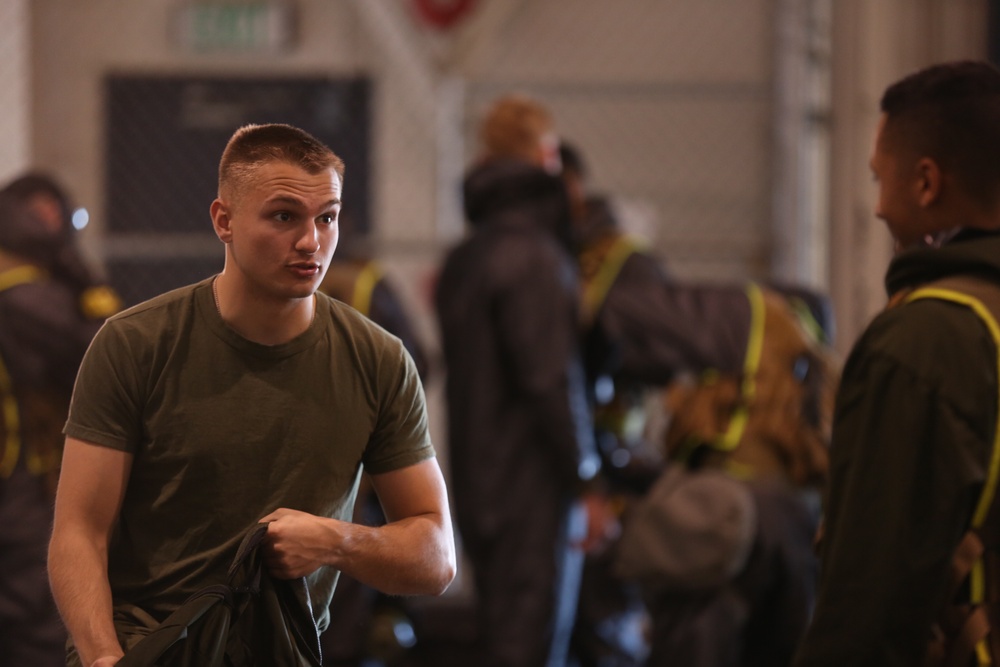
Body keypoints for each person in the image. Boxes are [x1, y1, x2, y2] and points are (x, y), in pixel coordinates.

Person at [47, 123, 457, 667]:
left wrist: (335, 541)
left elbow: (435, 558)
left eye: (327, 217)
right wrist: (103, 658)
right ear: (224, 221)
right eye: (284, 216)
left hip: (282, 649)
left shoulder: (377, 360)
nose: (311, 241)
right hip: (146, 644)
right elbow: (78, 531)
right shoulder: (135, 344)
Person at [793, 60, 1000, 666]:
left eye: (879, 177)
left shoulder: (922, 344)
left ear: (926, 183)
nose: (878, 208)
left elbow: (869, 604)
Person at [434, 94, 604, 667]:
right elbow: (550, 380)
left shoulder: (466, 259)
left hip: (476, 478)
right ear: (547, 156)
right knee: (529, 644)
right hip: (532, 487)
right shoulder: (538, 258)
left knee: (499, 632)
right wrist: (586, 476)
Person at [0, 190, 107, 666]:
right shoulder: (24, 293)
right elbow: (100, 352)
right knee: (34, 614)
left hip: (26, 475)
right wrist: (88, 288)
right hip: (16, 482)